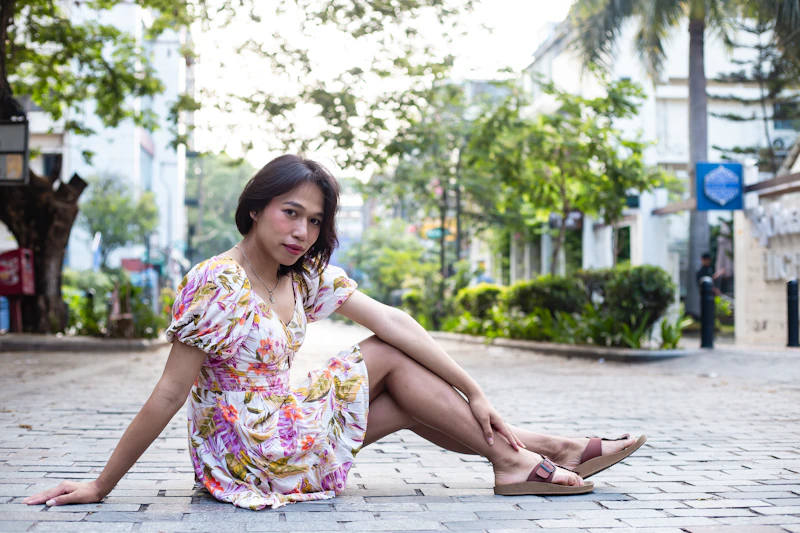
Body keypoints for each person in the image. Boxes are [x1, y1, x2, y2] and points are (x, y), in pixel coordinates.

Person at [24, 155, 646, 510]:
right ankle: (527, 456)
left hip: (285, 428)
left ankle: (540, 451)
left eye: (315, 221)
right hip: (245, 452)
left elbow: (395, 319)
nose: (301, 232)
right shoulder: (215, 282)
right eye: (290, 213)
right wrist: (101, 485)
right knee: (388, 361)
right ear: (255, 209)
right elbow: (168, 391)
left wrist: (476, 391)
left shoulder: (302, 276)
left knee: (405, 394)